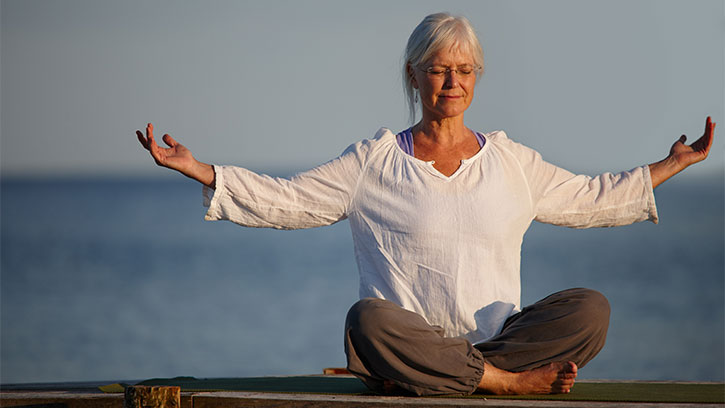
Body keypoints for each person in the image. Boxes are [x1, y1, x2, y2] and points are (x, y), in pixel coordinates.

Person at [137, 12, 715, 397]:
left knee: (591, 309)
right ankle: (502, 385)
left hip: (492, 343)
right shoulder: (374, 161)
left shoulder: (510, 160)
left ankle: (465, 375)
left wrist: (671, 165)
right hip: (408, 346)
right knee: (367, 321)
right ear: (414, 75)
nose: (452, 83)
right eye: (438, 70)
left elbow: (591, 199)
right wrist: (201, 170)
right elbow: (291, 201)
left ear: (477, 77)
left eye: (464, 71)